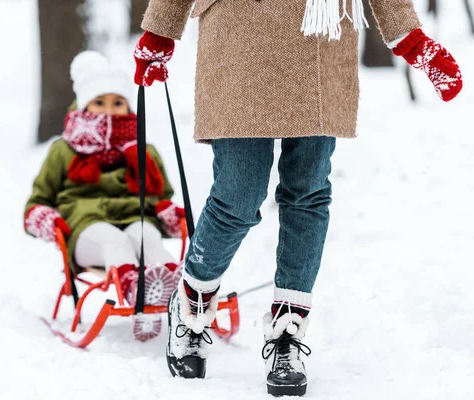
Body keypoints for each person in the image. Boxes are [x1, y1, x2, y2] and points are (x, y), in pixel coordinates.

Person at [133, 0, 462, 396]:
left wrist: (410, 38)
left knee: (307, 193)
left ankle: (289, 329)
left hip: (319, 36)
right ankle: (191, 304)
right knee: (238, 194)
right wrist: (160, 30)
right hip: (239, 34)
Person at [24, 51, 186, 342]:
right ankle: (138, 292)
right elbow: (38, 202)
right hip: (86, 226)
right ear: (85, 105)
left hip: (136, 217)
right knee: (116, 241)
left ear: (128, 107)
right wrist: (46, 220)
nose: (109, 110)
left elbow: (162, 195)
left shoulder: (144, 151)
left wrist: (168, 212)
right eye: (99, 102)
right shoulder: (64, 150)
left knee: (144, 237)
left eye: (118, 102)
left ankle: (174, 285)